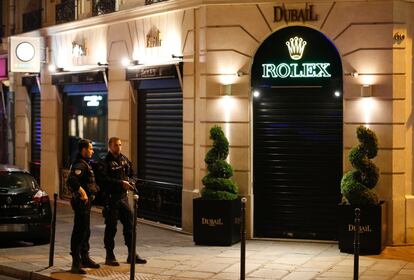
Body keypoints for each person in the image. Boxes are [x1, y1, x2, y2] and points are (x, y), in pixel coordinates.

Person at [97, 137, 147, 266]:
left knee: (130, 226)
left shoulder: (124, 160)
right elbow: (103, 181)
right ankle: (110, 255)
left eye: (120, 145)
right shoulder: (104, 161)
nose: (118, 147)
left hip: (123, 198)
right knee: (111, 227)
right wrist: (121, 183)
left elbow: (133, 174)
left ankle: (132, 253)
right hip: (111, 199)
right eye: (116, 145)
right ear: (110, 146)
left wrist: (131, 182)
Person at [66, 139, 100, 274]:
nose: (92, 151)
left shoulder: (85, 163)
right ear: (84, 150)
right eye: (91, 148)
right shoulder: (79, 164)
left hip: (86, 203)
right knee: (79, 231)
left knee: (86, 230)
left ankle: (85, 258)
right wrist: (83, 193)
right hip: (81, 202)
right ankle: (76, 263)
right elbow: (72, 180)